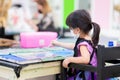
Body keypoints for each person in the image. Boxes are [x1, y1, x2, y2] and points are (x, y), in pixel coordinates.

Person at [52, 9, 100, 80]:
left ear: (77, 30)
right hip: (93, 74)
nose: (70, 30)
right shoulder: (89, 39)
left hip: (87, 76)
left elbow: (85, 59)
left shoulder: (83, 44)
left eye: (71, 28)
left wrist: (69, 59)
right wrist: (58, 43)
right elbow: (74, 46)